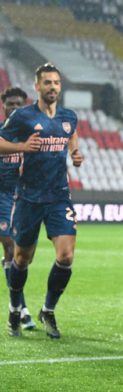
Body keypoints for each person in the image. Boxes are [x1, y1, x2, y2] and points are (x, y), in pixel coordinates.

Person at [0, 63, 83, 338]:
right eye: (47, 82)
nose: (52, 87)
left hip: (59, 196)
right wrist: (22, 147)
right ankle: (14, 307)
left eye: (56, 83)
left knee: (66, 256)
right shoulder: (23, 116)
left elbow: (70, 133)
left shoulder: (68, 116)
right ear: (37, 87)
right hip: (29, 198)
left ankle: (48, 310)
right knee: (22, 259)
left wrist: (75, 152)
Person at [1, 87, 36, 331]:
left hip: (21, 198)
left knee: (19, 256)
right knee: (11, 246)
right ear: (3, 106)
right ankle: (20, 308)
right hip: (1, 197)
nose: (13, 107)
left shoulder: (31, 135)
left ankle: (18, 305)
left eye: (18, 104)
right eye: (9, 104)